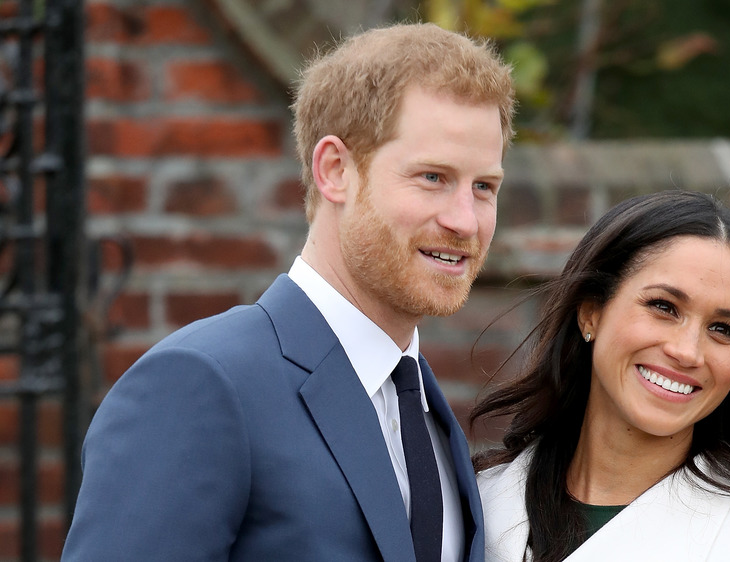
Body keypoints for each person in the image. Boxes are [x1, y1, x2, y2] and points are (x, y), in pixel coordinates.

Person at [64, 23, 515, 561]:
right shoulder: (200, 383)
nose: (465, 220)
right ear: (335, 170)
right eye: (433, 177)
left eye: (484, 186)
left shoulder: (425, 409)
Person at [471, 190, 730, 561]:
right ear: (591, 313)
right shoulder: (474, 504)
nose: (687, 351)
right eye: (663, 307)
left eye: (722, 329)